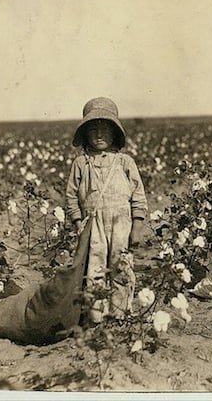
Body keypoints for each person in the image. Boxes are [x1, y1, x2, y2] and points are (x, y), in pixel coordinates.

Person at [66, 97, 148, 321]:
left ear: (115, 132)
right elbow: (71, 196)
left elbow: (138, 196)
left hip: (121, 223)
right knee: (94, 269)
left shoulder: (124, 162)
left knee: (121, 266)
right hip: (93, 225)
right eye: (93, 129)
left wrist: (138, 226)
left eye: (105, 129)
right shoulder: (81, 163)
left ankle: (121, 314)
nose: (99, 134)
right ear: (85, 134)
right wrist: (77, 223)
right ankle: (96, 317)